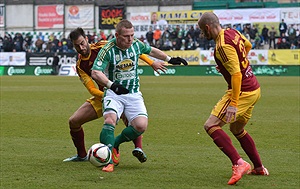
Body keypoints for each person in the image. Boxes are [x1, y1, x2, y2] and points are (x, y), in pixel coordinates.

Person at [91, 19, 188, 172]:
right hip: (114, 93)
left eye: (132, 35)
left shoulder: (136, 44)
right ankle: (108, 159)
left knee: (141, 126)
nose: (130, 39)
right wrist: (112, 85)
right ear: (117, 35)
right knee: (110, 119)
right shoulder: (108, 49)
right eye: (126, 36)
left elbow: (151, 50)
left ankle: (115, 144)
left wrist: (170, 59)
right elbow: (95, 72)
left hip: (133, 93)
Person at [63, 27, 168, 163]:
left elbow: (131, 50)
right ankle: (82, 155)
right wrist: (109, 96)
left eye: (83, 43)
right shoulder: (80, 65)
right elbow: (91, 89)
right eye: (77, 46)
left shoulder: (102, 46)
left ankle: (138, 148)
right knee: (74, 122)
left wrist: (152, 62)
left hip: (121, 92)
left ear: (87, 39)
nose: (81, 47)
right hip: (104, 95)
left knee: (132, 119)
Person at [198, 12, 269, 185]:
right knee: (237, 129)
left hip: (242, 91)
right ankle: (259, 167)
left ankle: (239, 163)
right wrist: (232, 61)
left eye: (202, 31)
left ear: (207, 27)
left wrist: (234, 104)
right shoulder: (231, 32)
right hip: (254, 89)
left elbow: (236, 75)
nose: (202, 35)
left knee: (211, 125)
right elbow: (248, 45)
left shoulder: (221, 45)